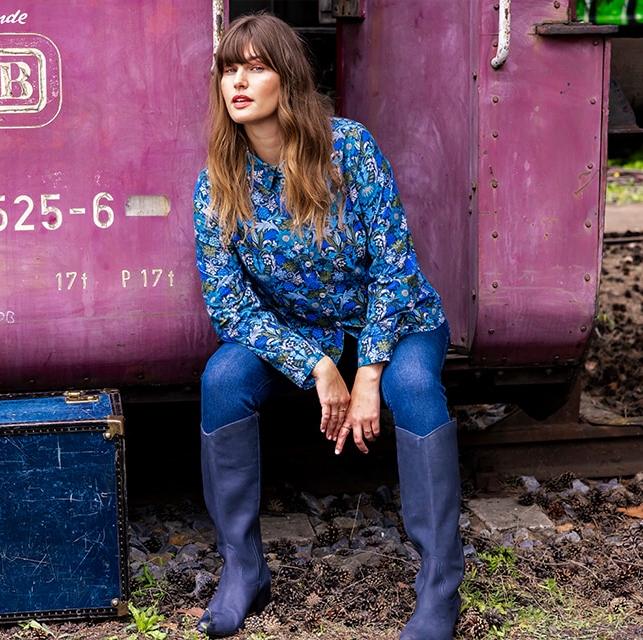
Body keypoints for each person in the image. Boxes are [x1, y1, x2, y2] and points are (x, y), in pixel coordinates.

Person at [192, 13, 465, 640]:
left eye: (256, 67)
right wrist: (316, 365)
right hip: (300, 335)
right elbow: (229, 305)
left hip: (396, 319)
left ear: (288, 79)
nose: (239, 81)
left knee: (416, 390)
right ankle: (242, 572)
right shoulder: (217, 182)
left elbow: (395, 265)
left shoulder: (347, 146)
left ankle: (439, 591)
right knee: (222, 379)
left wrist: (368, 371)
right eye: (229, 69)